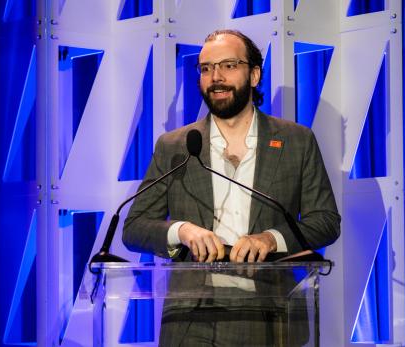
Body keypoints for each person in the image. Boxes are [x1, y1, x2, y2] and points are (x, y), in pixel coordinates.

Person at [122, 29, 341, 346]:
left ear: (253, 75)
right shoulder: (176, 146)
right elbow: (134, 228)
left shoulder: (296, 141)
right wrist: (181, 231)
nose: (216, 77)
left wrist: (271, 239)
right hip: (192, 319)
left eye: (228, 65)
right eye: (206, 68)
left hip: (270, 317)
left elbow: (325, 220)